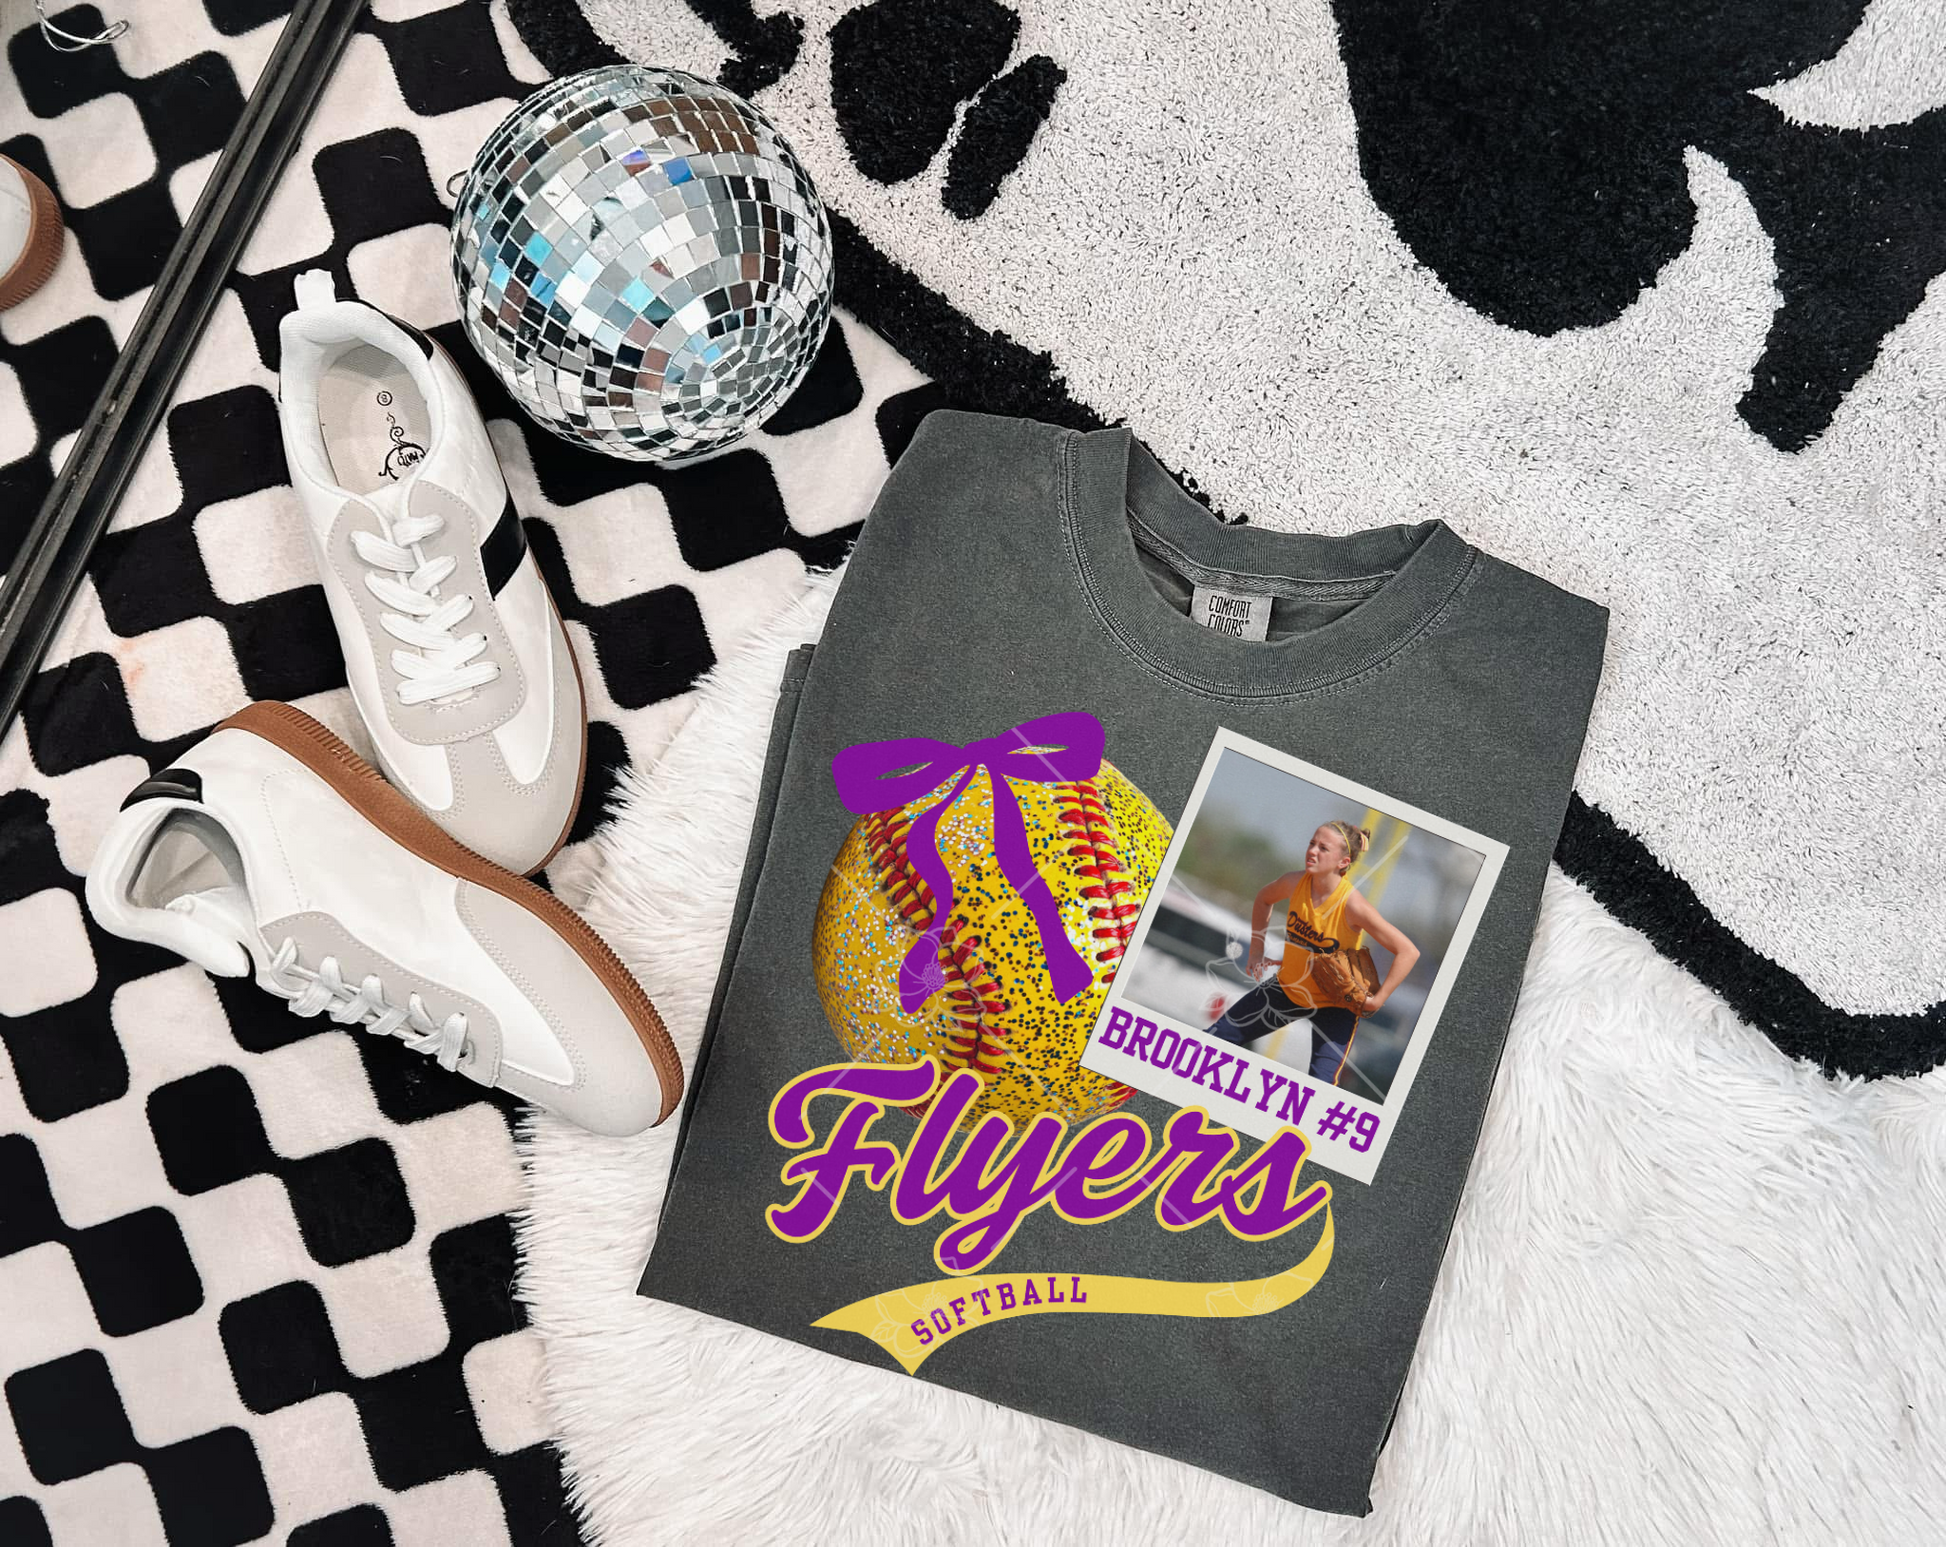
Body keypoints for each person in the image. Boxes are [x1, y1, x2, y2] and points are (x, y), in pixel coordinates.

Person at [1206, 820, 1421, 1085]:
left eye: (1323, 848)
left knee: (1320, 1086)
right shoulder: (1294, 882)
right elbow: (1263, 898)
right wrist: (1256, 950)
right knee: (1212, 1040)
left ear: (1343, 862)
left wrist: (1378, 1000)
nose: (1312, 851)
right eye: (1312, 843)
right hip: (1288, 989)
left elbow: (1408, 951)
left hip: (1335, 1006)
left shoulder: (1352, 905)